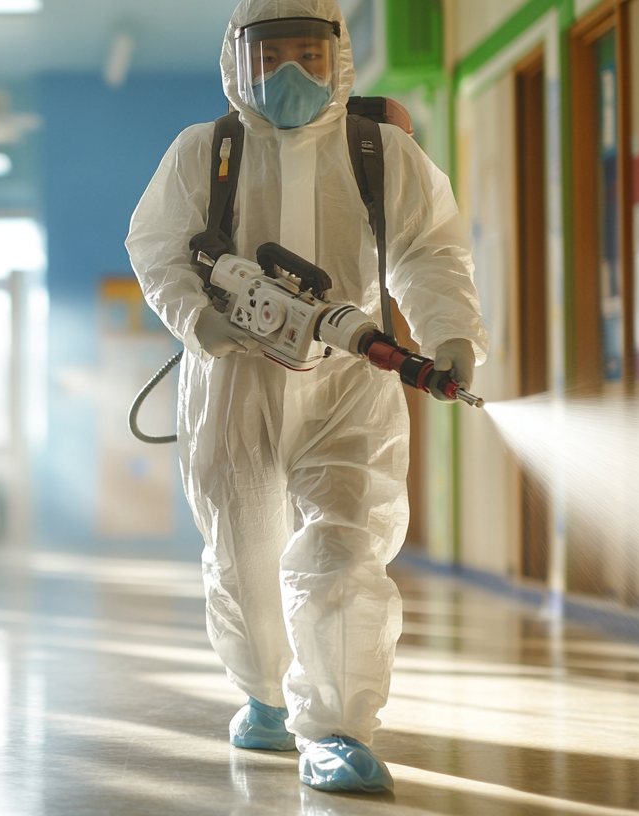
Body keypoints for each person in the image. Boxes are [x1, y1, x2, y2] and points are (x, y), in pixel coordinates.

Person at [125, 0, 488, 794]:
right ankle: (262, 689)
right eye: (271, 53)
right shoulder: (204, 153)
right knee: (245, 558)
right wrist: (200, 322)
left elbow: (431, 253)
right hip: (233, 384)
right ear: (237, 58)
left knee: (345, 547)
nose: (290, 70)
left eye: (308, 53)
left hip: (350, 385)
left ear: (337, 57)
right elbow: (157, 249)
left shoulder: (379, 152)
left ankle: (337, 727)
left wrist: (450, 331)